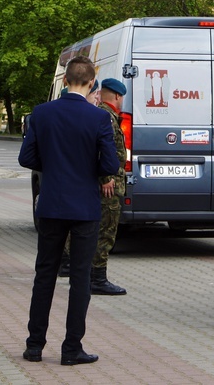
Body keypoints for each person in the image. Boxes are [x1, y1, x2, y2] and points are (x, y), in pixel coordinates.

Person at [18, 56, 119, 365]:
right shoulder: (99, 118)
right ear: (91, 83)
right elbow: (110, 165)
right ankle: (71, 347)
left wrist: (53, 167)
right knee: (80, 278)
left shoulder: (42, 113)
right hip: (85, 208)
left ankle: (35, 345)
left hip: (50, 204)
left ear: (64, 82)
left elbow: (26, 157)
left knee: (44, 274)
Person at [90, 78, 129, 296]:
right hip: (109, 184)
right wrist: (106, 177)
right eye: (121, 97)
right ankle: (98, 278)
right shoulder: (106, 117)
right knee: (106, 231)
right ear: (116, 96)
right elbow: (102, 149)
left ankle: (92, 275)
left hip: (110, 181)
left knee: (102, 229)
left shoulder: (104, 115)